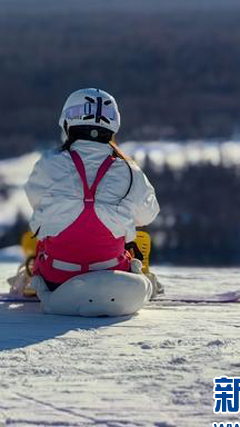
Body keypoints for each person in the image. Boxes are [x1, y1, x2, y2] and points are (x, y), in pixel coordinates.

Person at [10, 88, 160, 296]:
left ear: (67, 123)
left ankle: (33, 279)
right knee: (139, 239)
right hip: (114, 278)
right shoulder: (129, 170)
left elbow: (35, 200)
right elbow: (148, 214)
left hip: (56, 280)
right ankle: (141, 273)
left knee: (36, 238)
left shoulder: (49, 163)